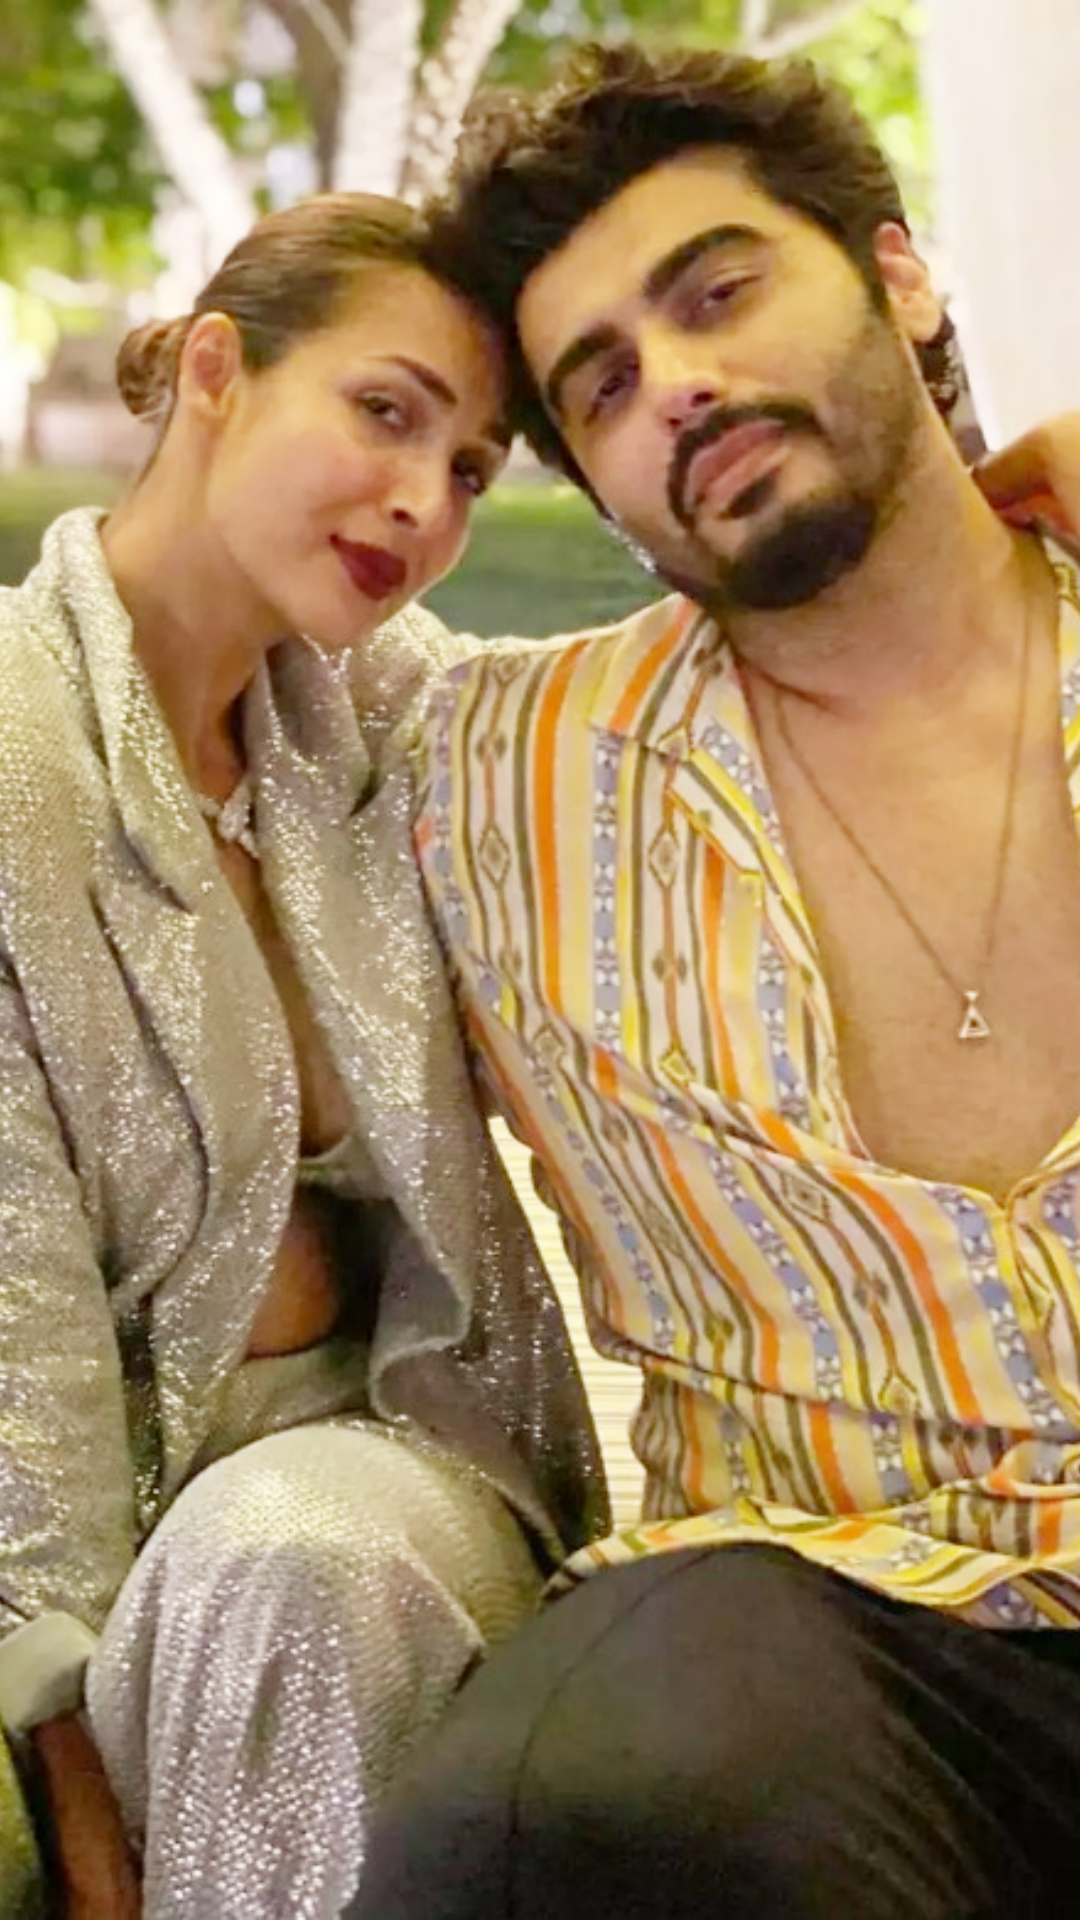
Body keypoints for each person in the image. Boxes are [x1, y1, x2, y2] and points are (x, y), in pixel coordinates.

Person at [350, 43, 1080, 1919]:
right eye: (600, 384)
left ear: (900, 276)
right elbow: (165, 659)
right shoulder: (491, 769)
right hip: (844, 1631)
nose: (672, 379)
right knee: (566, 1807)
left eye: (719, 290)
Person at [0, 190, 607, 1919]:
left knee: (300, 1562)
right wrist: (70, 1771)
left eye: (471, 467)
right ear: (216, 371)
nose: (425, 503)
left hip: (398, 1467)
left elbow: (654, 710)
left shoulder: (375, 704)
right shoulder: (17, 748)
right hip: (104, 1521)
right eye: (384, 411)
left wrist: (964, 452)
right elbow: (15, 1308)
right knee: (275, 1567)